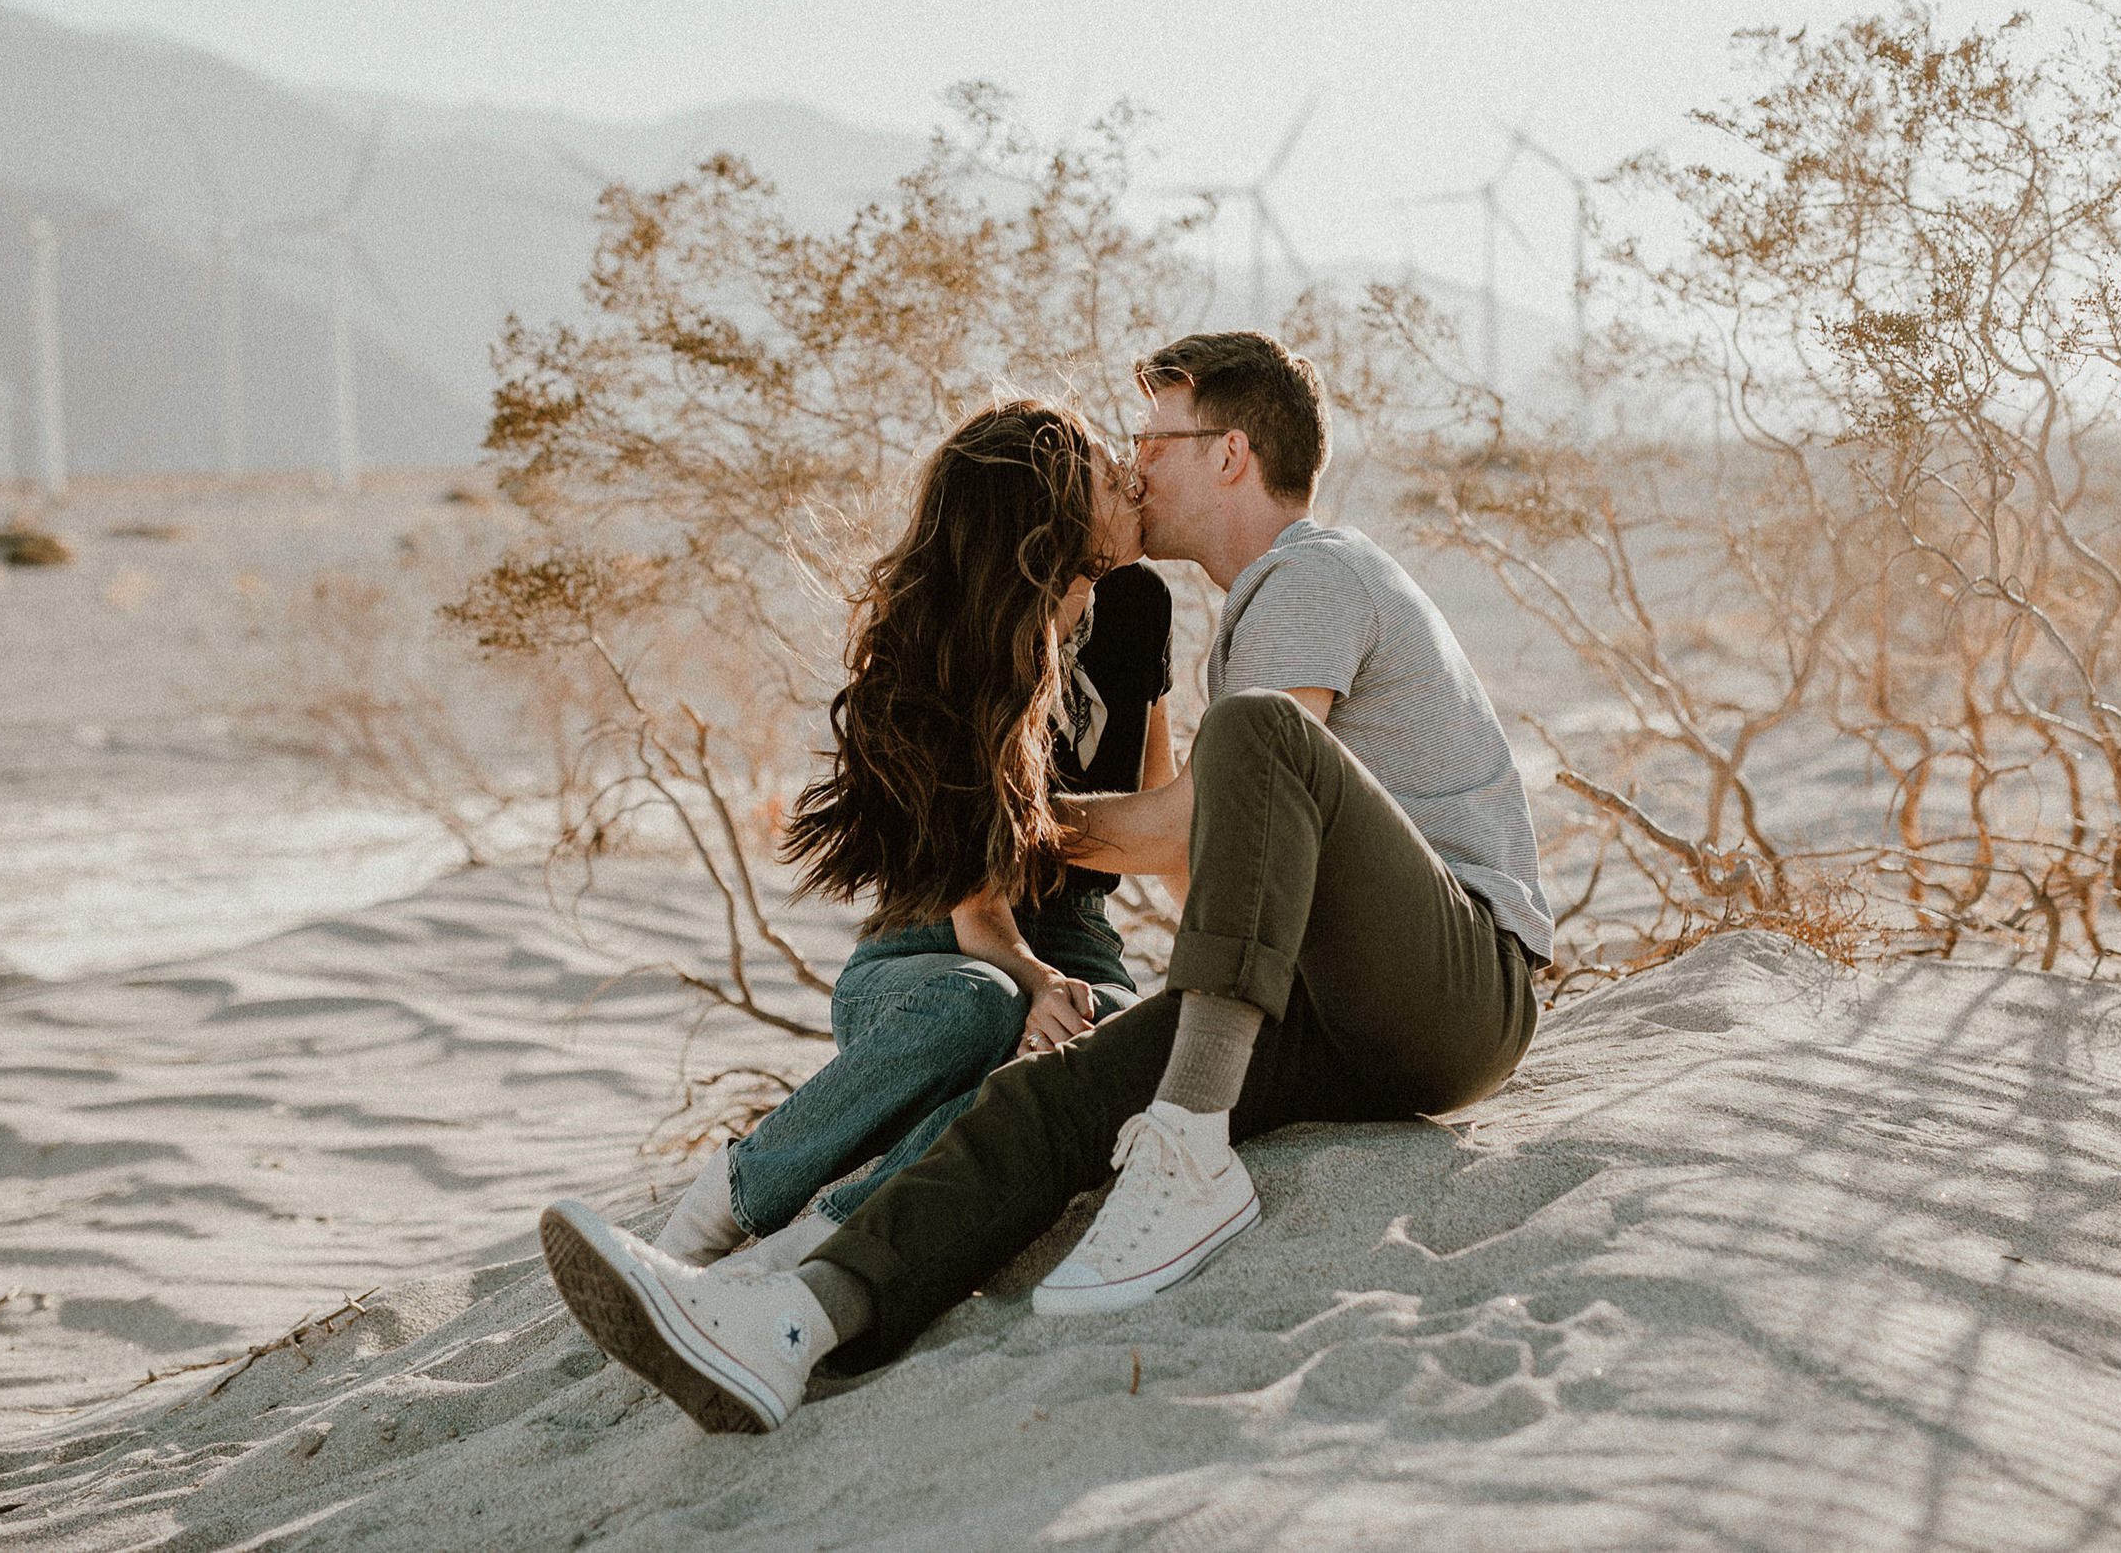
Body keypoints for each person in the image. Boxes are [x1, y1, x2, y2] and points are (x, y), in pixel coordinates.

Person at [541, 332, 1554, 1437]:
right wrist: (1008, 840)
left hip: (1459, 989)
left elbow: (1193, 821)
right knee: (1044, 1101)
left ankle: (1186, 1142)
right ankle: (795, 1319)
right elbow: (1209, 846)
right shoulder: (1237, 620)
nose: (1134, 466)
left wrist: (1003, 823)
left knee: (1252, 738)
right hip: (1329, 1007)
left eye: (1153, 441)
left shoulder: (1314, 574)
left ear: (1229, 454)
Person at [554, 399, 1174, 1295]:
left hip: (1078, 943)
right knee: (980, 1006)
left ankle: (805, 1253)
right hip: (930, 956)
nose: (1132, 480)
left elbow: (1161, 820)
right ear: (1053, 519)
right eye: (1109, 476)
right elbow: (978, 916)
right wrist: (1037, 982)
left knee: (1110, 1042)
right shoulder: (955, 649)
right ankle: (706, 1223)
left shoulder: (1140, 606)